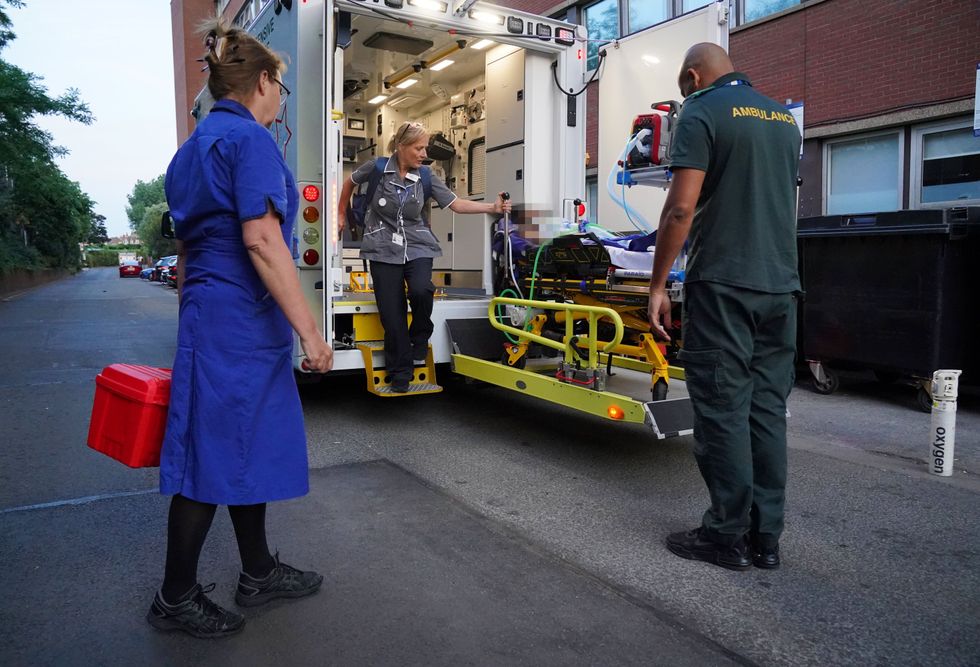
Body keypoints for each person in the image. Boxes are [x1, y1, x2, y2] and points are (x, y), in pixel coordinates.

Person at [147, 20, 334, 638]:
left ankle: (256, 570)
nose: (281, 97)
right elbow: (261, 239)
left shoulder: (191, 149)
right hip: (240, 319)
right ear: (261, 81)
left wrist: (194, 322)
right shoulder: (250, 142)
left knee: (239, 440)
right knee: (213, 450)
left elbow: (186, 256)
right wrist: (310, 331)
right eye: (279, 85)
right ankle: (175, 596)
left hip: (211, 313)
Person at [647, 43, 801, 571]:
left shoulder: (702, 111)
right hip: (781, 285)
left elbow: (681, 207)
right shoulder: (784, 118)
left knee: (722, 410)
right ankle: (766, 538)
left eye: (683, 85)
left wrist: (658, 285)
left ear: (692, 77)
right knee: (765, 411)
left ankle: (724, 535)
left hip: (725, 283)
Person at [338, 121, 511, 393]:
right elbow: (349, 182)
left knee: (420, 290)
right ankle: (400, 371)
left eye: (425, 148)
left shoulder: (427, 176)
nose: (423, 153)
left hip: (418, 243)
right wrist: (339, 213)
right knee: (392, 313)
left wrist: (492, 207)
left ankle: (419, 338)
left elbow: (456, 203)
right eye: (418, 148)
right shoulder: (377, 168)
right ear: (401, 147)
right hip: (382, 245)